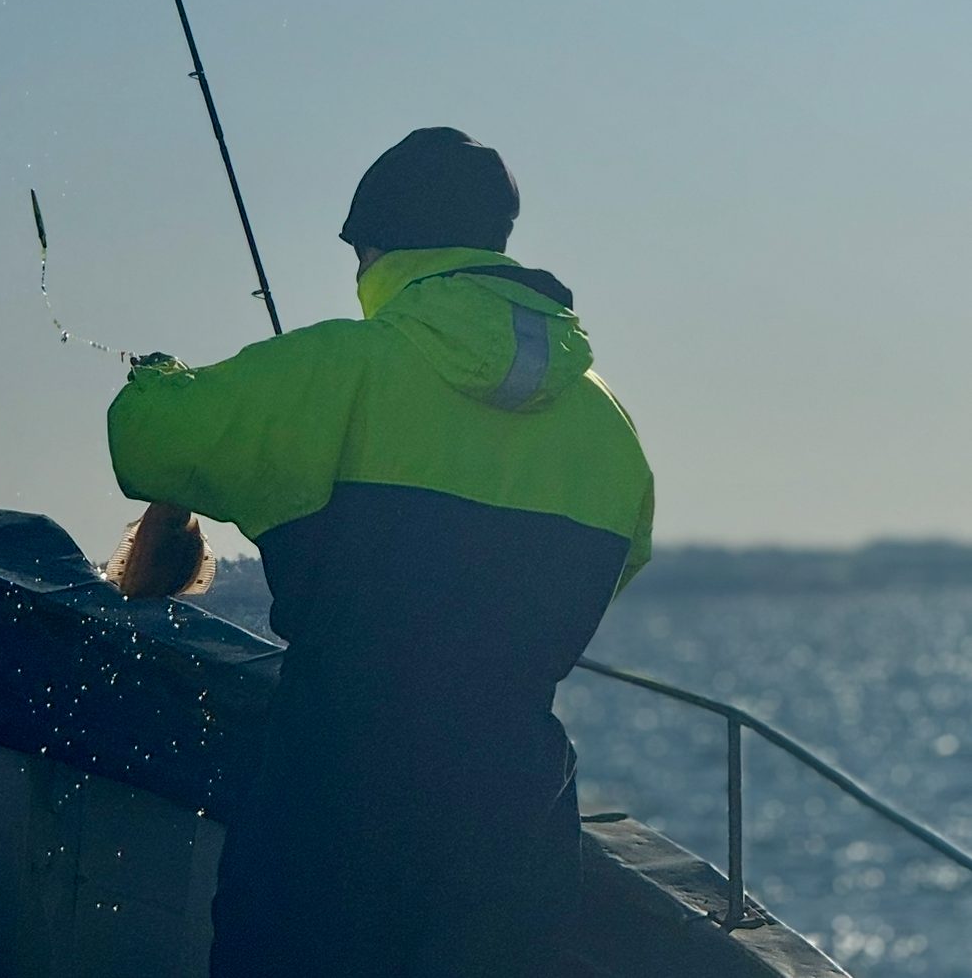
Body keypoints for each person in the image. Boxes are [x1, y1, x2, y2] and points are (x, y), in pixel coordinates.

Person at [107, 127, 654, 977]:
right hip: (515, 807)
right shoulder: (610, 427)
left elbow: (144, 440)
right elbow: (622, 562)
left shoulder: (338, 366)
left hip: (337, 794)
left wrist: (159, 375)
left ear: (378, 247)